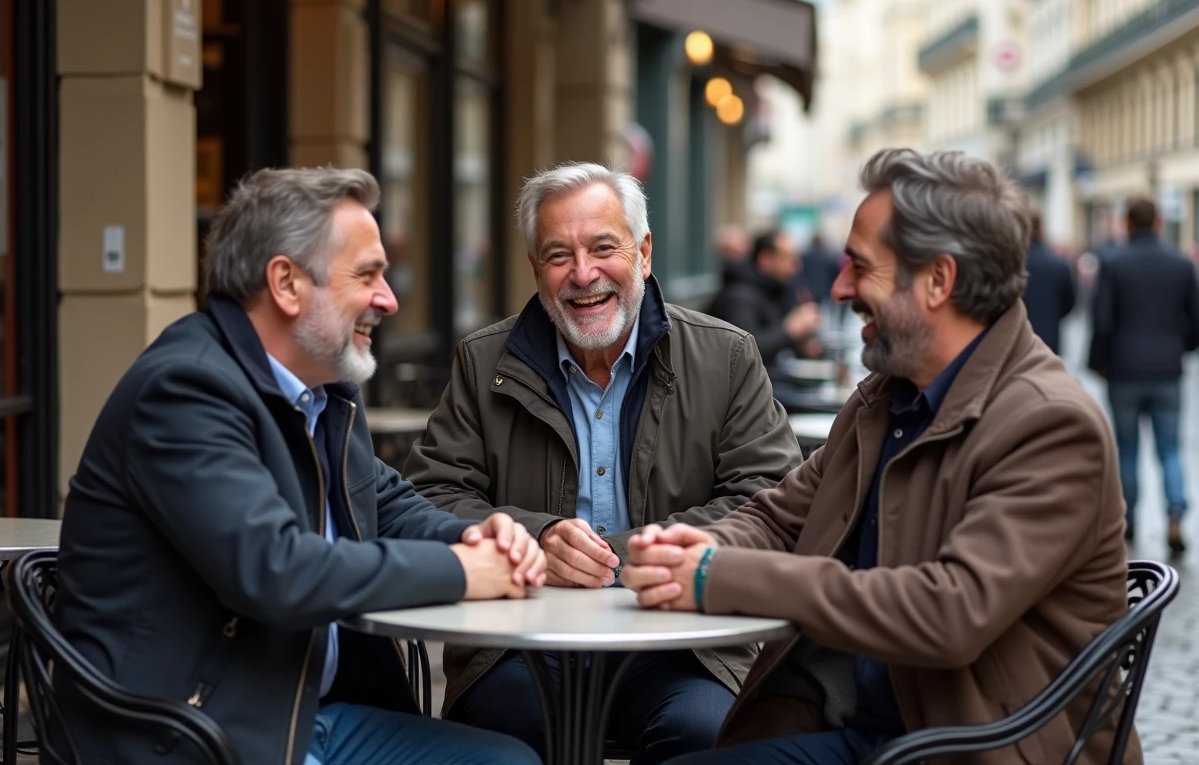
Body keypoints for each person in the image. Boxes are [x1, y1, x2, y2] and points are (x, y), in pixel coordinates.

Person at [622, 148, 1136, 765]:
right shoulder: (886, 398)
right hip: (881, 731)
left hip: (979, 747)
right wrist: (677, 548)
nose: (839, 288)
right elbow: (779, 517)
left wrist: (717, 576)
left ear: (939, 281)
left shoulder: (1050, 424)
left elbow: (949, 609)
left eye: (860, 267)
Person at [53, 168, 547, 765]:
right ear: (286, 283)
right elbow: (277, 569)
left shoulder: (324, 386)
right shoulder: (185, 391)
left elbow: (384, 503)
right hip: (190, 731)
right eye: (367, 274)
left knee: (508, 760)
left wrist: (477, 534)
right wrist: (462, 570)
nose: (389, 298)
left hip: (303, 711)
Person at [402, 162, 803, 764]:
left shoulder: (726, 356)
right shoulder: (483, 362)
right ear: (536, 269)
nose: (583, 273)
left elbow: (770, 496)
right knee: (498, 734)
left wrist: (637, 550)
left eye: (603, 247)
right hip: (521, 642)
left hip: (684, 642)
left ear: (643, 254)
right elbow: (428, 496)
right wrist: (537, 539)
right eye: (558, 254)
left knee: (708, 735)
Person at [1088, 197, 1199, 554]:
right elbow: (1196, 319)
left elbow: (1102, 320)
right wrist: (1181, 348)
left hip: (1124, 370)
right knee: (1169, 446)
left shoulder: (1114, 262)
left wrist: (1097, 361)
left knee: (1128, 448)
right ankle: (1176, 512)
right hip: (1167, 370)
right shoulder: (1181, 264)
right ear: (1159, 222)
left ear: (1127, 224)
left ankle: (1129, 520)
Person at [708, 229, 823, 362]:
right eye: (788, 257)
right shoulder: (739, 294)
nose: (797, 265)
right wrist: (790, 329)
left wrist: (803, 344)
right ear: (766, 259)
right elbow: (745, 352)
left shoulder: (776, 289)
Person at [1022, 213, 1076, 354]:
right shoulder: (1059, 265)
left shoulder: (1010, 266)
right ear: (1041, 230)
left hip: (1017, 339)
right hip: (1049, 339)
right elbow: (1069, 303)